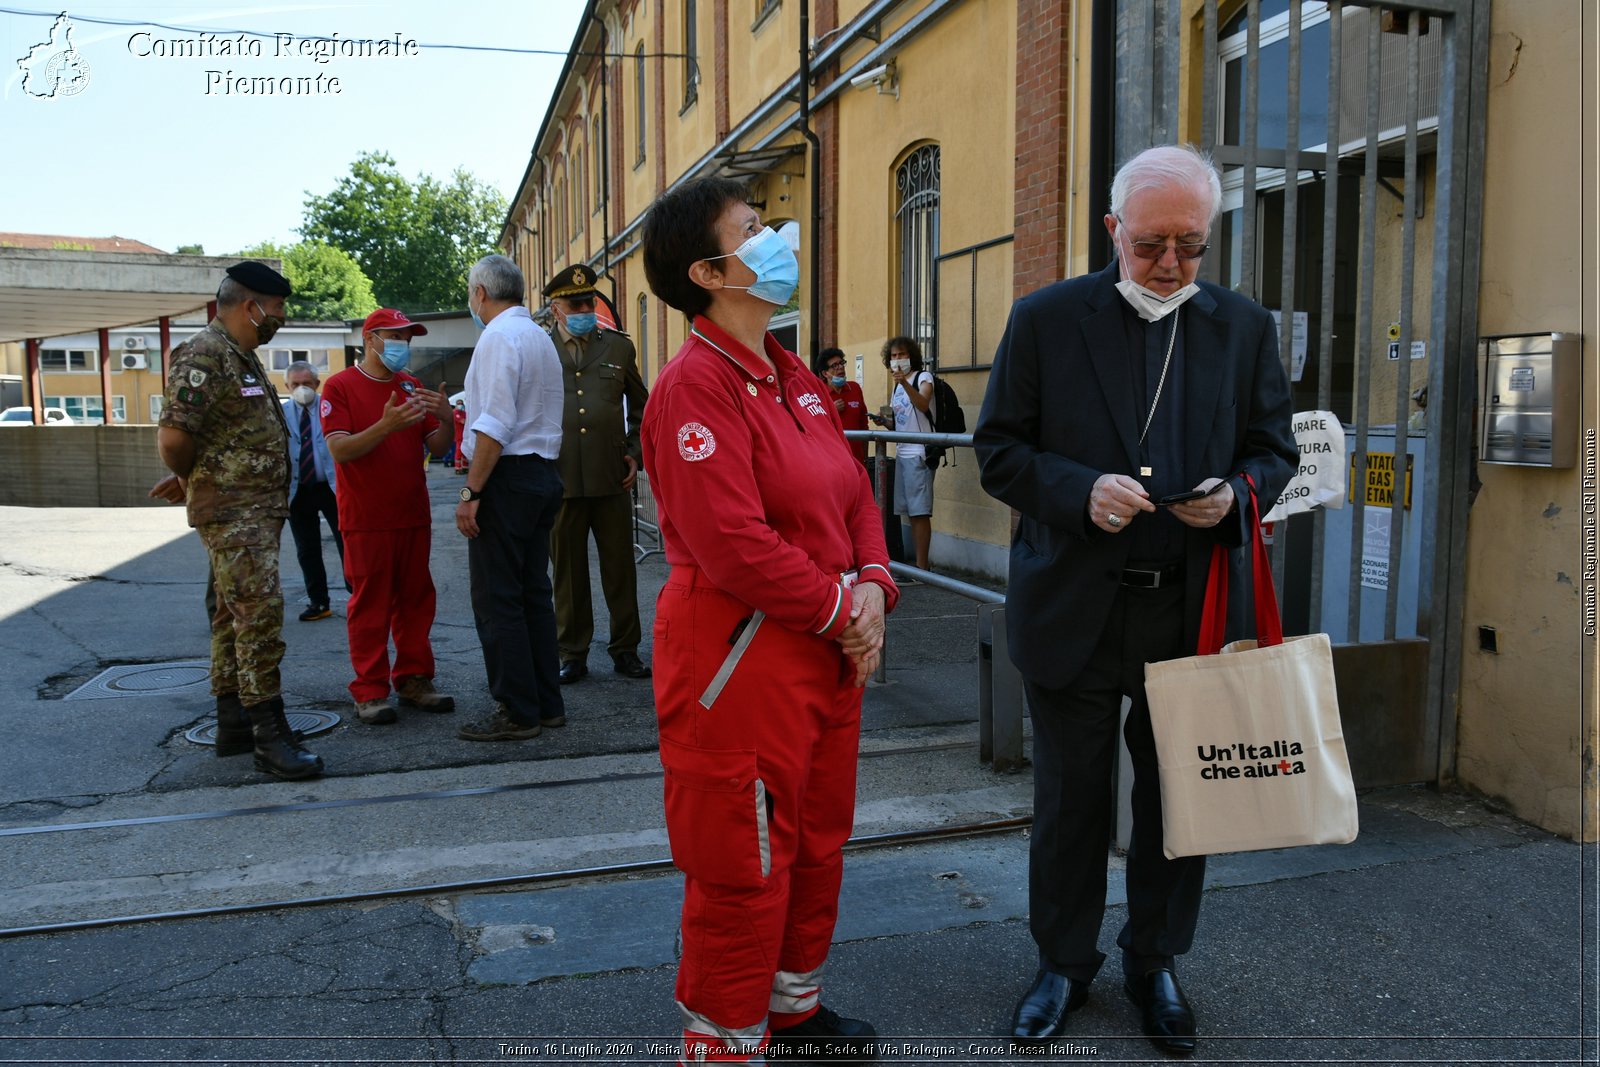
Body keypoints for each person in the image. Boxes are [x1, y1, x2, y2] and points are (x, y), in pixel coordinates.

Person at [973, 144, 1298, 1055]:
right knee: (1071, 798)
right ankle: (1062, 965)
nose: (1169, 264)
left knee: (1180, 803)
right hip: (1072, 602)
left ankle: (1153, 960)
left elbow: (1277, 449)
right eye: (1151, 242)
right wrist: (1080, 491)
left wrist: (1239, 492)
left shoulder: (1242, 325)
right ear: (1113, 229)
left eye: (1190, 246)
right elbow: (999, 449)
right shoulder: (1043, 320)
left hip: (1187, 609)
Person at [639, 176, 899, 1064]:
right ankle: (723, 1042)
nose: (777, 237)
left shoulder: (792, 374)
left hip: (824, 653)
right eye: (755, 230)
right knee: (741, 860)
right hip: (740, 663)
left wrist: (873, 587)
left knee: (818, 839)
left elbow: (853, 493)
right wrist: (846, 612)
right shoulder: (692, 388)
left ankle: (792, 1010)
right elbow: (734, 546)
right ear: (711, 271)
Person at [155, 261, 323, 780]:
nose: (280, 316)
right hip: (234, 514)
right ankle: (270, 738)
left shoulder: (239, 356)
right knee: (259, 618)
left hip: (249, 510)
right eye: (276, 308)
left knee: (233, 616)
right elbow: (174, 438)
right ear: (251, 306)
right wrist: (196, 476)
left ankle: (233, 724)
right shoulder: (205, 355)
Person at [320, 308, 456, 725]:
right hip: (365, 518)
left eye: (408, 338)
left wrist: (448, 416)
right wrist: (385, 426)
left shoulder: (410, 385)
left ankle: (415, 679)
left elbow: (437, 444)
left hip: (412, 514)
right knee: (370, 606)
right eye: (395, 337)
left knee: (416, 601)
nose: (403, 345)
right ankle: (370, 690)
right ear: (371, 338)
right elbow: (340, 450)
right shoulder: (339, 386)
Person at [453, 254, 568, 742]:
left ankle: (518, 710)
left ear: (481, 292)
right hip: (541, 474)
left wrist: (471, 491)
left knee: (499, 600)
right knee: (532, 595)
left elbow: (494, 426)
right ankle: (545, 703)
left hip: (508, 477)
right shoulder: (538, 335)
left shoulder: (498, 338)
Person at [540, 264, 653, 685]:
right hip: (560, 477)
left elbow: (642, 407)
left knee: (619, 567)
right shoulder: (539, 348)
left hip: (610, 475)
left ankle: (625, 649)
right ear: (556, 308)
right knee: (567, 573)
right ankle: (572, 652)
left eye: (589, 302)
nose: (585, 309)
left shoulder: (618, 349)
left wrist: (633, 452)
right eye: (576, 304)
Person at [281, 360, 347, 621]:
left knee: (347, 543)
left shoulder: (332, 408)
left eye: (306, 384)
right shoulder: (280, 413)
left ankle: (357, 596)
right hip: (298, 489)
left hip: (332, 487)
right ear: (286, 386)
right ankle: (319, 602)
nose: (301, 389)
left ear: (317, 384)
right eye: (295, 384)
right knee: (307, 548)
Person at [883, 336, 935, 571]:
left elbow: (923, 404)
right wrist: (886, 422)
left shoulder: (923, 377)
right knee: (908, 512)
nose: (897, 360)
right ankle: (916, 567)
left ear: (911, 356)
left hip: (919, 453)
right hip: (902, 452)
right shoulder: (897, 385)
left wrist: (904, 383)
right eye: (893, 356)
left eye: (901, 355)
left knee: (920, 512)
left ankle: (923, 569)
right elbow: (903, 420)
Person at [813, 347, 869, 468]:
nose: (840, 367)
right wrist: (831, 411)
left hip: (856, 459)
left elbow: (864, 425)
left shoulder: (854, 388)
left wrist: (865, 458)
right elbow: (813, 427)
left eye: (841, 363)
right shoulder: (817, 394)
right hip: (831, 460)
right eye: (834, 365)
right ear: (825, 373)